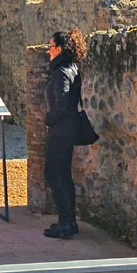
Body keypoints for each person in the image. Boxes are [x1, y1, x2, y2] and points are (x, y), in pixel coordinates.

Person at [43, 28, 89, 240]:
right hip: (69, 129)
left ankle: (65, 222)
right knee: (64, 175)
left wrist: (48, 119)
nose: (48, 51)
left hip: (60, 131)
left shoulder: (61, 72)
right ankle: (69, 221)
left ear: (59, 49)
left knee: (53, 174)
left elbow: (61, 103)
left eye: (51, 47)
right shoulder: (72, 68)